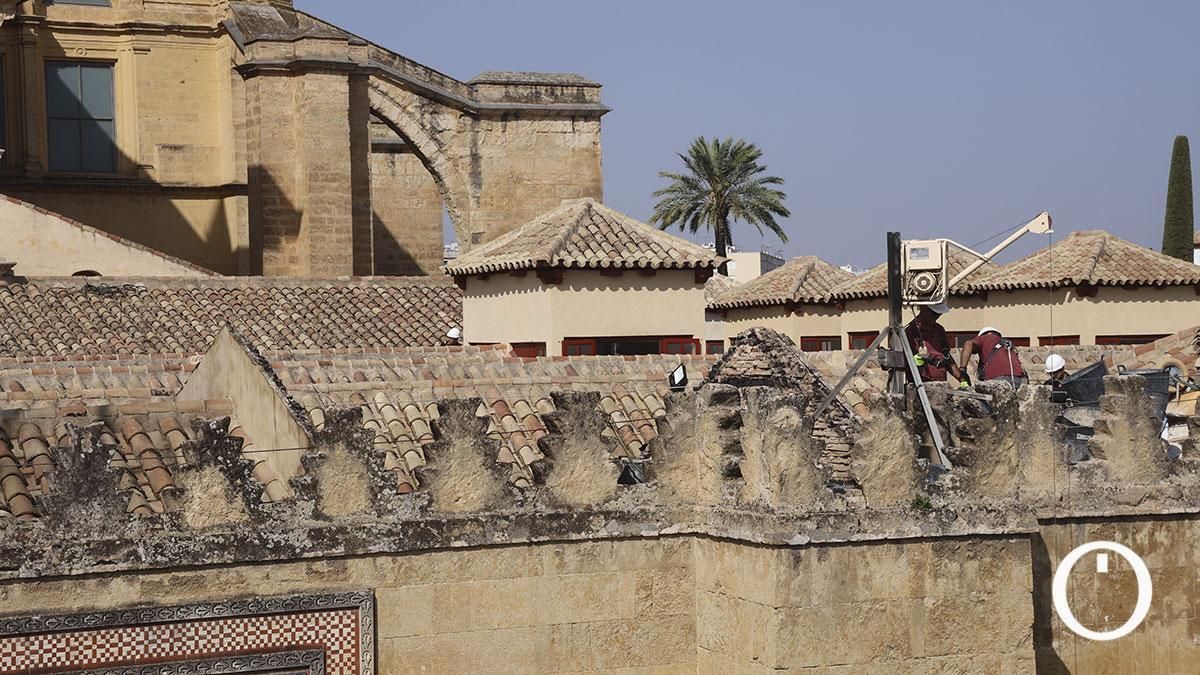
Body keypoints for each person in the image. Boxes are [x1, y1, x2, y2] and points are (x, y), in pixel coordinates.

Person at [904, 302, 964, 384]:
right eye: (934, 313)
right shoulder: (911, 332)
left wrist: (962, 380)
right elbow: (904, 362)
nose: (936, 317)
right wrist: (913, 361)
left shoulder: (939, 330)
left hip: (941, 384)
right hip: (921, 386)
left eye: (939, 314)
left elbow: (947, 358)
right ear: (923, 308)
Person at [959, 327, 1028, 388]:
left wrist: (962, 370)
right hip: (1021, 380)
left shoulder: (984, 338)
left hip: (999, 380)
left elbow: (968, 344)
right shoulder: (1007, 343)